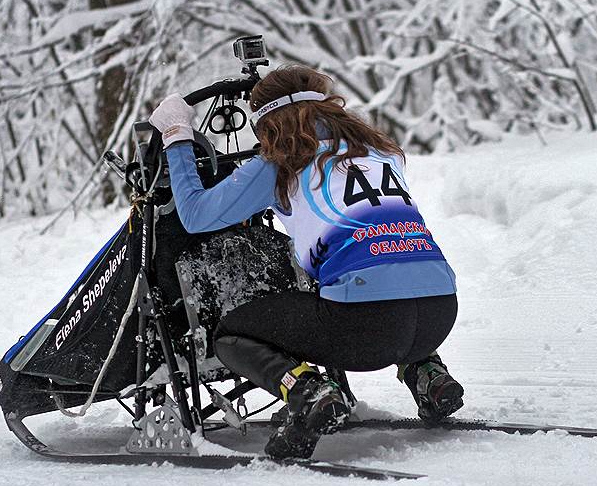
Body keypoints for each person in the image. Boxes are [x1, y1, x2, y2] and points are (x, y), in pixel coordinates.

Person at [149, 65, 464, 459]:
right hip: (439, 315)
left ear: (267, 124)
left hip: (368, 329)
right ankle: (429, 377)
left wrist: (176, 134)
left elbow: (195, 215)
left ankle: (308, 393)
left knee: (230, 333)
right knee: (387, 270)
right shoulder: (381, 151)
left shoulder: (281, 164)